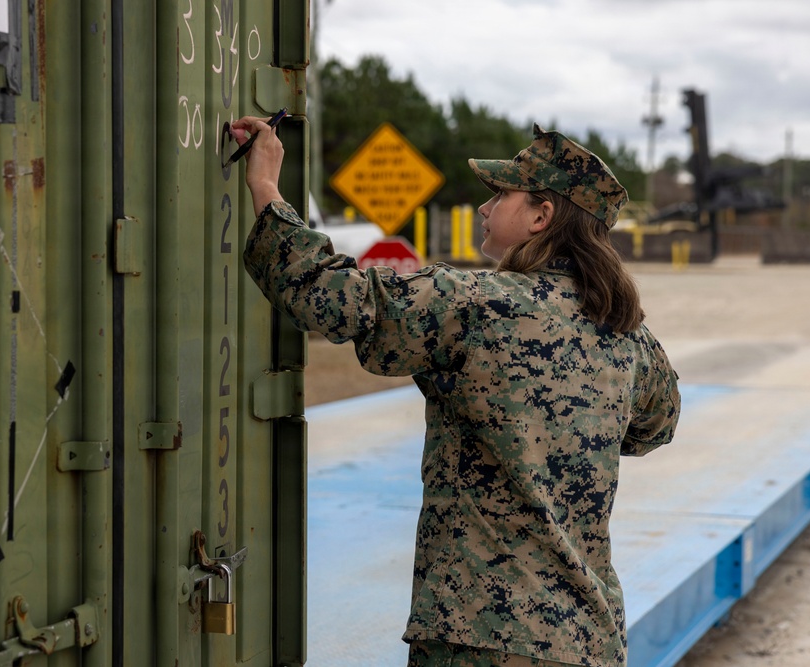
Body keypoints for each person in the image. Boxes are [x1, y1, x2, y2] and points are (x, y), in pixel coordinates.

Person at [232, 117, 681, 667]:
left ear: (541, 216)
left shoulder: (473, 303)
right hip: (590, 641)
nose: (484, 209)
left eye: (501, 195)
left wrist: (266, 187)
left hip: (481, 638)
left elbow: (328, 295)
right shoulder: (628, 332)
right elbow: (657, 425)